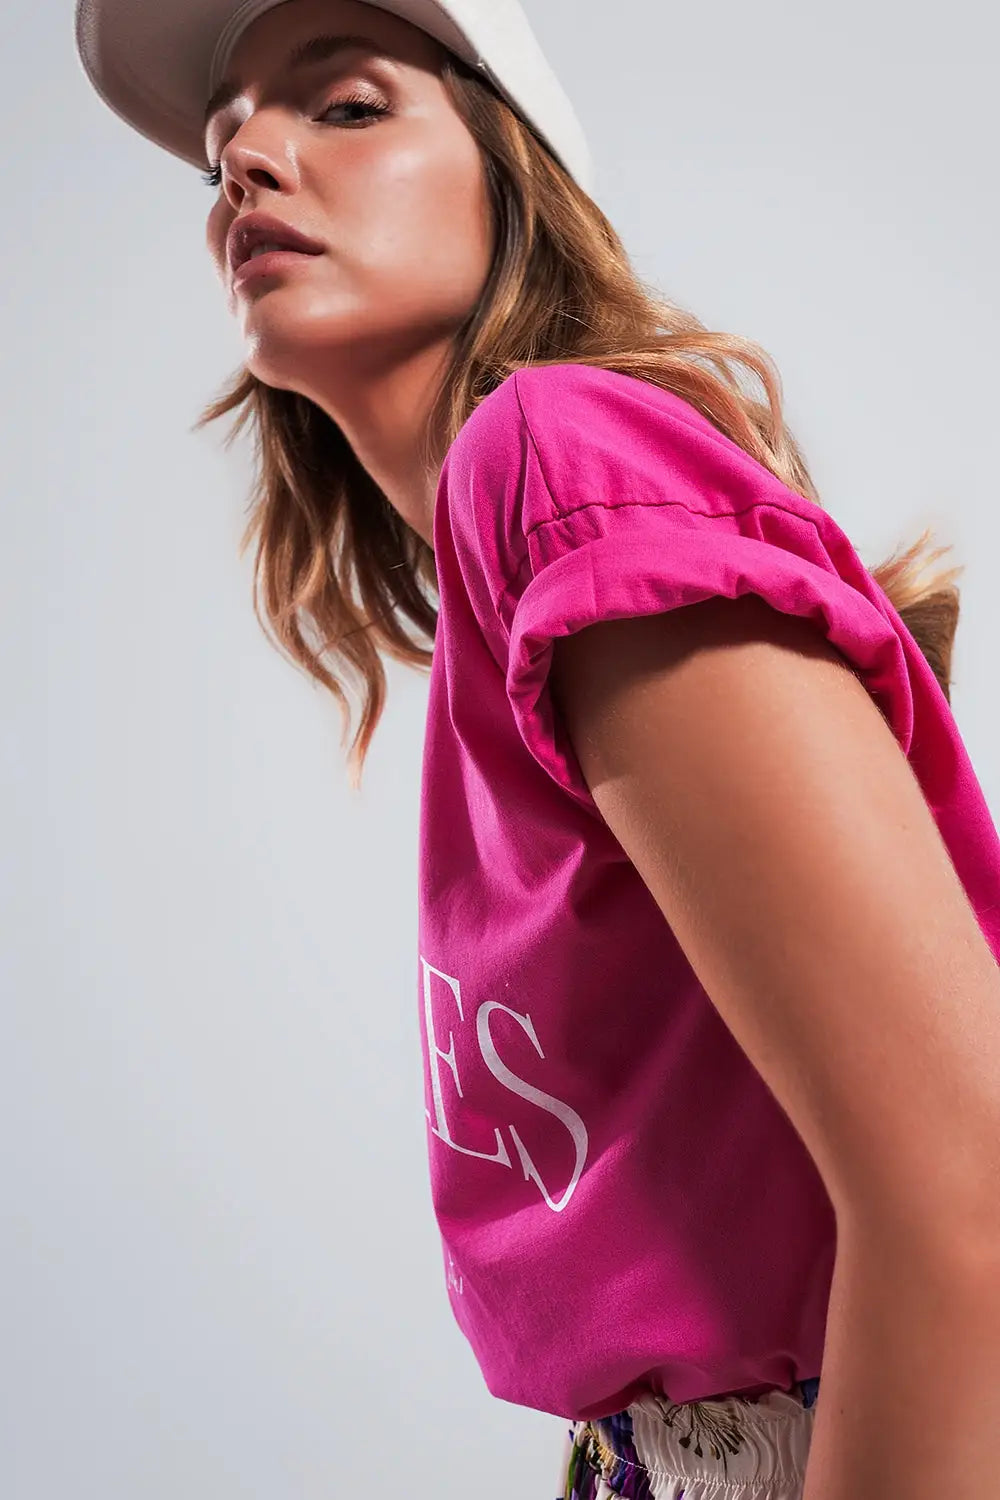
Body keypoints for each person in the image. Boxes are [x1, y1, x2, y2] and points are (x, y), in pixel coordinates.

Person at [74, 2, 1000, 1496]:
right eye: (218, 148)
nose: (245, 158)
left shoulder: (552, 459)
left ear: (515, 177)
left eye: (347, 107)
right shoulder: (509, 579)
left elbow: (969, 1195)